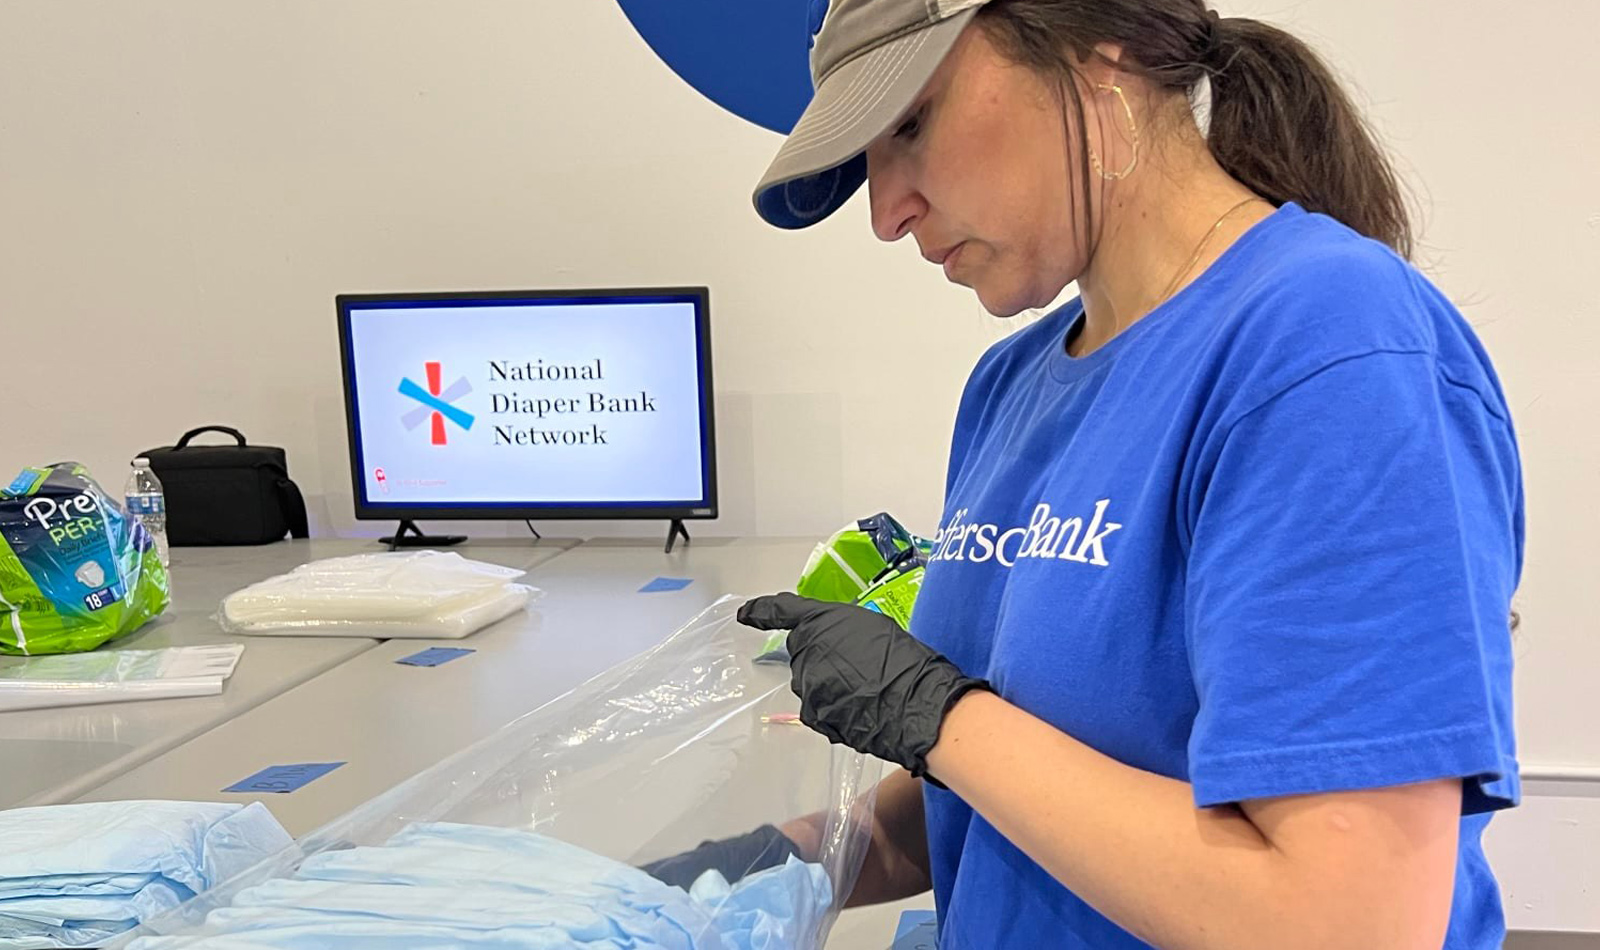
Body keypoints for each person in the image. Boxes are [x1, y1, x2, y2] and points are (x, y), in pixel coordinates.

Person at [647, 1, 1523, 947]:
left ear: (1095, 57)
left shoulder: (1327, 352)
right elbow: (991, 815)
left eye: (909, 123)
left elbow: (1344, 922)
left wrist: (939, 718)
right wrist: (702, 880)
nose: (886, 212)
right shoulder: (1011, 385)